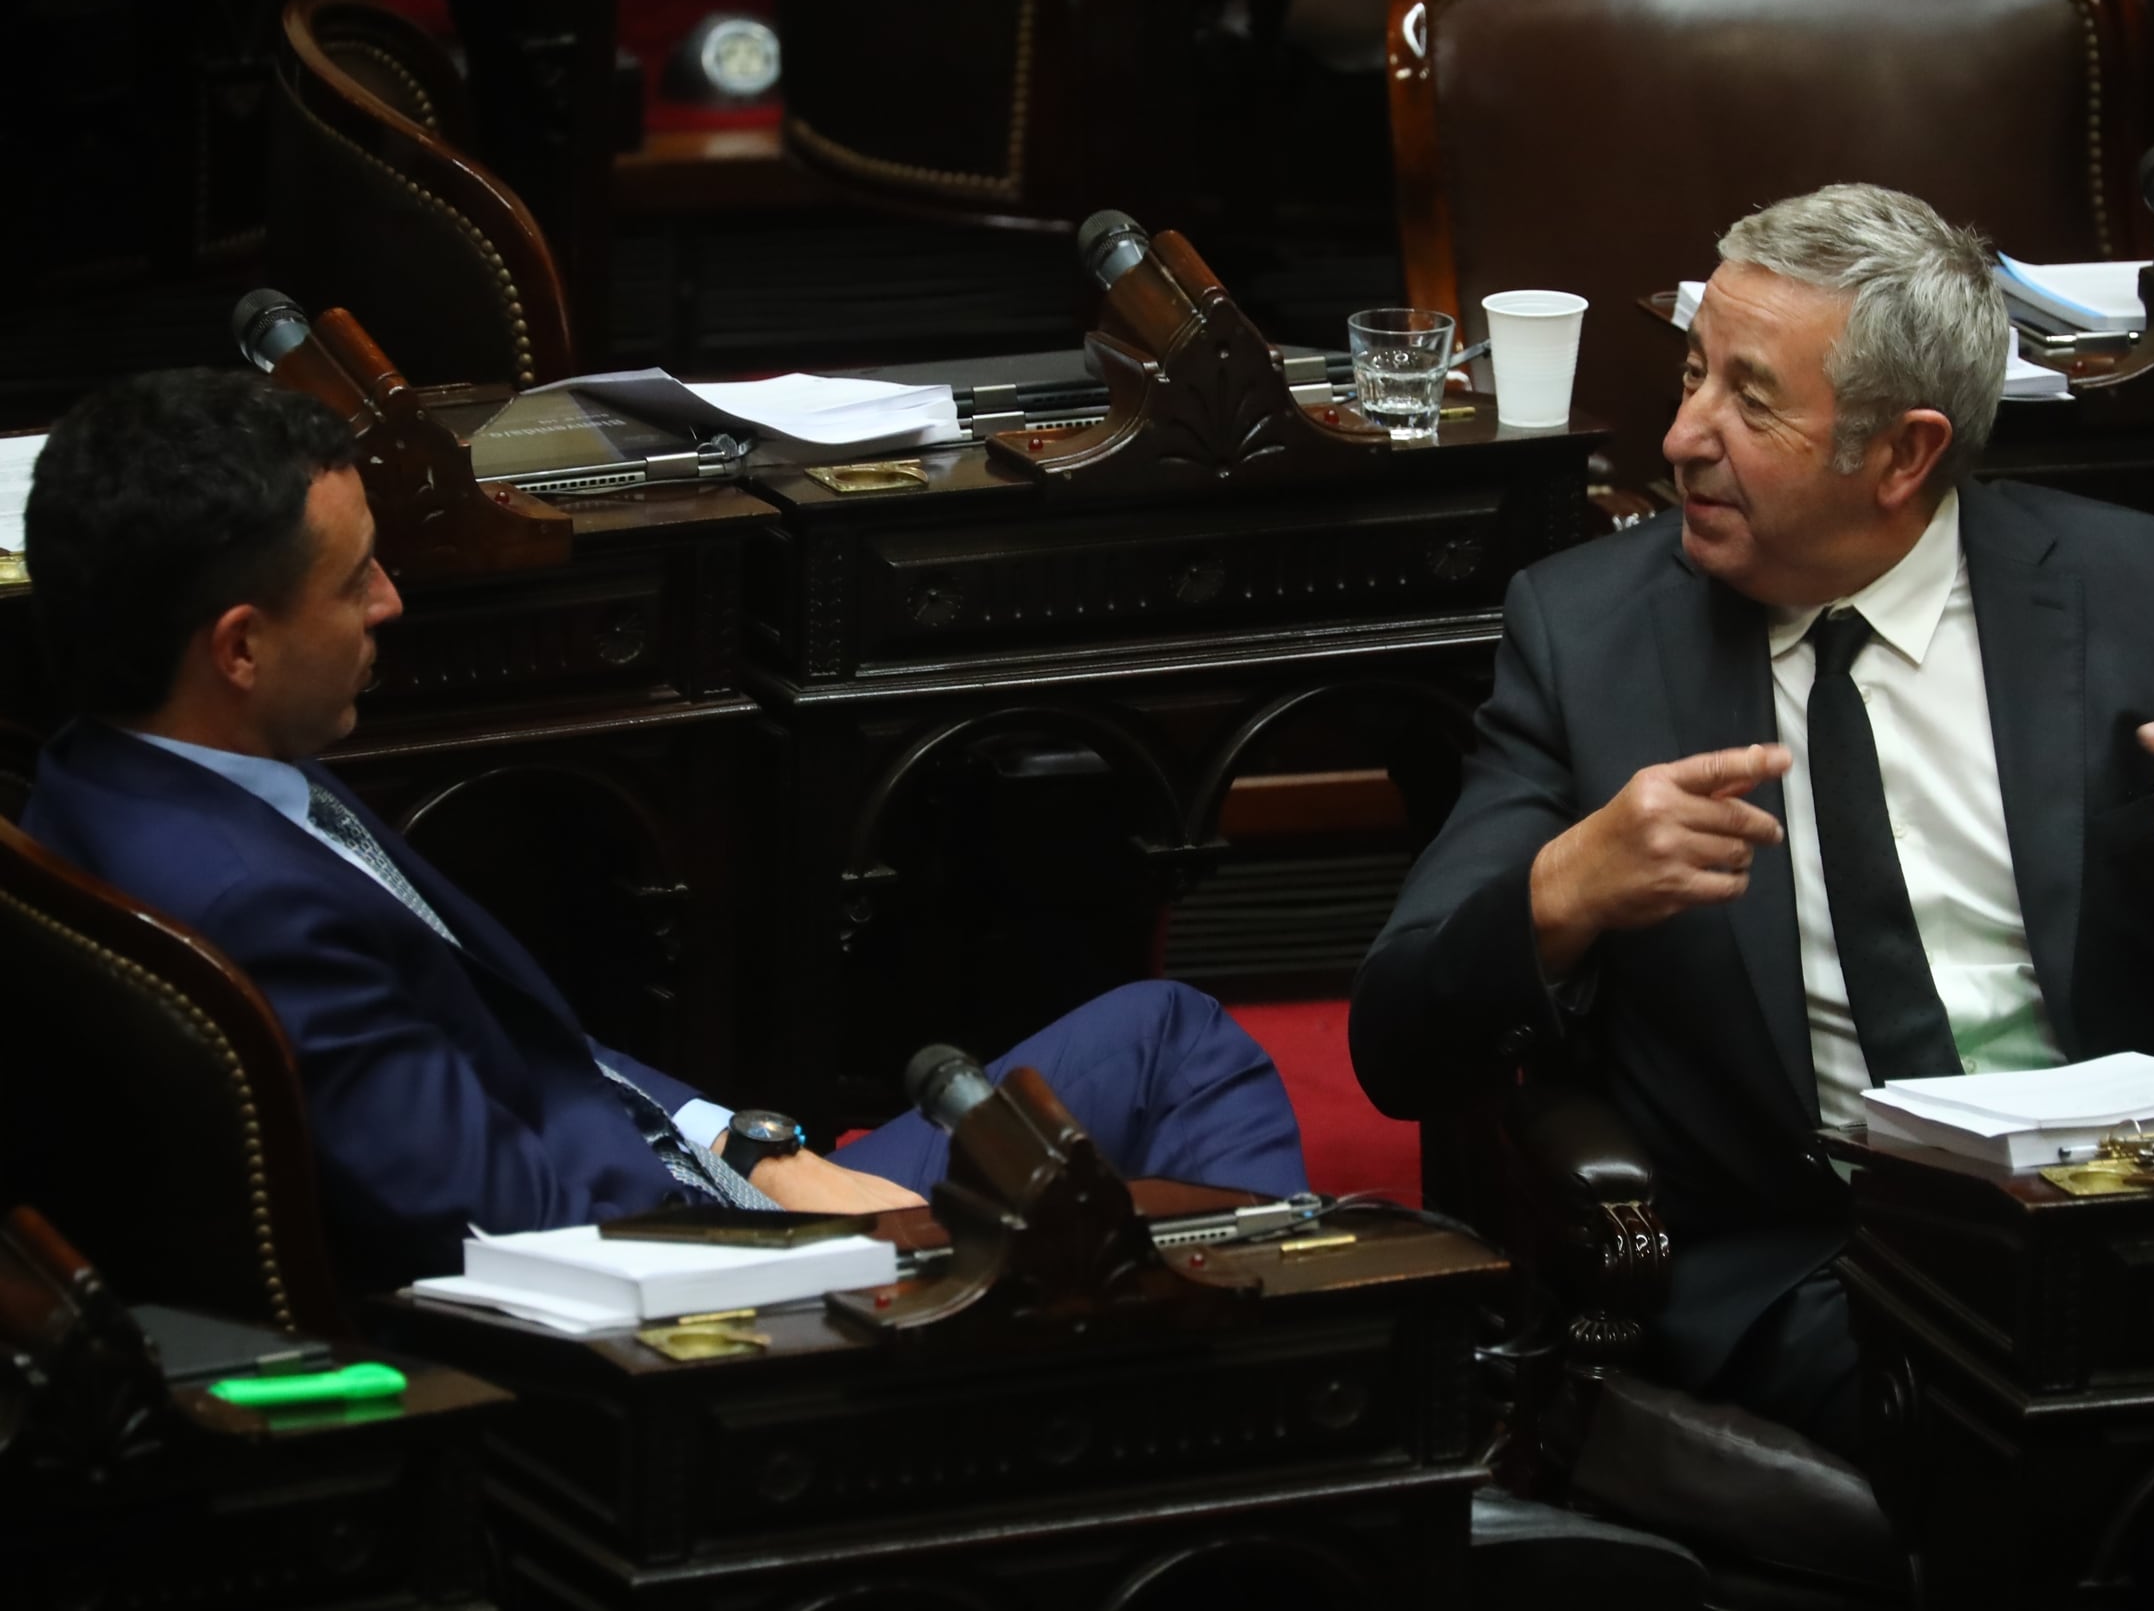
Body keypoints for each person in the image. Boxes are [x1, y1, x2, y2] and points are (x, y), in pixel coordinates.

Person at [1348, 183, 2154, 1457]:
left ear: (1904, 454)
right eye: (1691, 374)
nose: (1682, 435)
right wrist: (1566, 888)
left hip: (2142, 1225)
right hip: (1825, 1271)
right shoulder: (1586, 639)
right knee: (2052, 1435)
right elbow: (1398, 1039)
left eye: (1749, 400)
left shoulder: (2138, 597)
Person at [20, 368, 1307, 1297]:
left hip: (715, 1183)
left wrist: (755, 1143)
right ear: (238, 647)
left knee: (1171, 1034)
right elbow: (509, 1224)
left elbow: (537, 1054)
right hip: (697, 1287)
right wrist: (792, 1222)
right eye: (355, 576)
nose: (392, 601)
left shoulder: (123, 776)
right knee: (1154, 1198)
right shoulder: (243, 898)